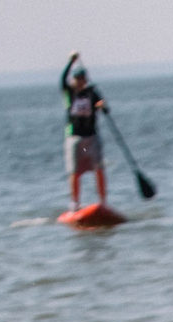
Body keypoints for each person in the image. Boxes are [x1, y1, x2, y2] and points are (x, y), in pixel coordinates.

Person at [59, 54, 108, 209]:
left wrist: (102, 105)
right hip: (74, 137)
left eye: (82, 78)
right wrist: (70, 62)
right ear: (74, 80)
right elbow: (62, 80)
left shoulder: (92, 93)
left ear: (85, 79)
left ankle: (102, 202)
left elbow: (103, 105)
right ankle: (75, 203)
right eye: (77, 78)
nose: (79, 81)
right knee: (74, 171)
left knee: (98, 169)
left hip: (91, 136)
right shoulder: (69, 93)